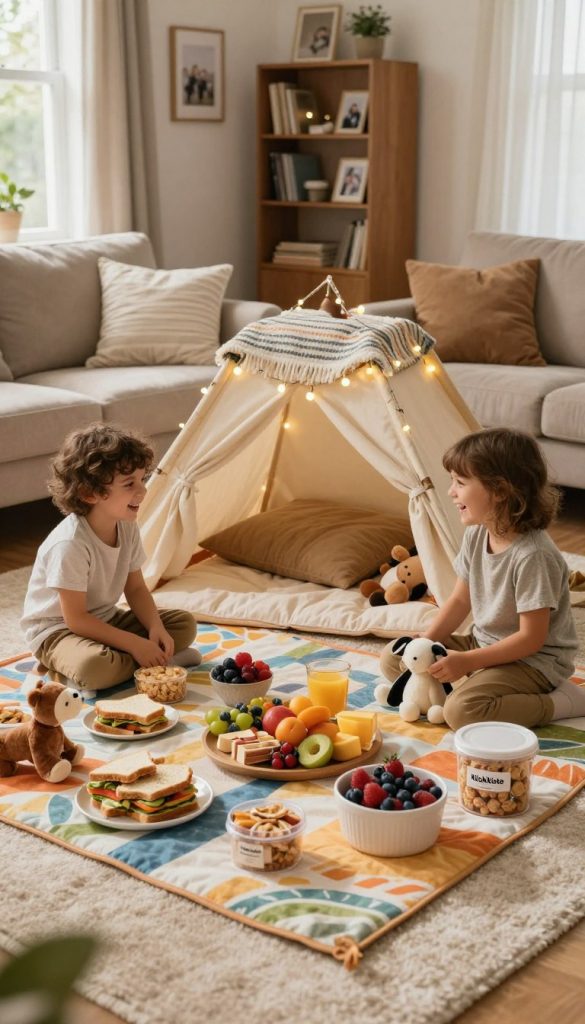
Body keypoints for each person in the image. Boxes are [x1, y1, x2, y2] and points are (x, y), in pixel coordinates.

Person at [380, 427, 584, 729]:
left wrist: (469, 662)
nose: (451, 492)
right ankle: (470, 680)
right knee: (394, 657)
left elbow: (531, 639)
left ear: (500, 490)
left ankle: (563, 701)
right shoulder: (477, 534)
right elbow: (461, 600)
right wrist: (427, 641)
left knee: (461, 712)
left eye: (460, 483)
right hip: (483, 642)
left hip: (533, 662)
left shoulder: (533, 555)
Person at [21, 424, 198, 693]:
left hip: (105, 619)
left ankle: (141, 661)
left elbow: (136, 588)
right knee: (95, 667)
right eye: (129, 484)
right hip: (57, 633)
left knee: (183, 624)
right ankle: (147, 663)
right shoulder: (70, 544)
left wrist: (155, 627)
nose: (143, 491)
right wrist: (136, 644)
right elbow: (77, 620)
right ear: (89, 494)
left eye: (142, 479)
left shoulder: (126, 525)